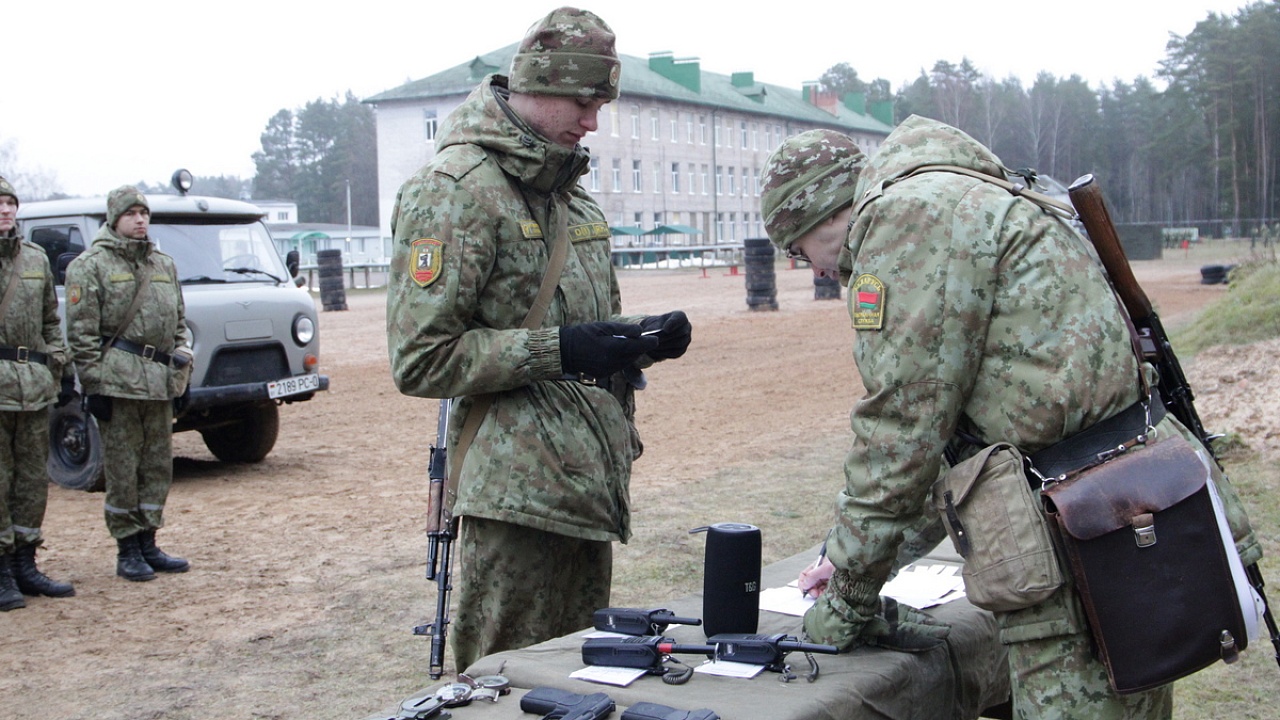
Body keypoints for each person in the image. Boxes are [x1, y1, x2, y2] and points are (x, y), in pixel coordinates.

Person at [759, 120, 1261, 718]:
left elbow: (901, 432)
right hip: (1135, 510)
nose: (812, 270)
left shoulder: (905, 220)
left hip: (1076, 536)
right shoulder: (980, 191)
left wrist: (849, 596)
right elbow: (971, 446)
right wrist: (856, 558)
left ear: (818, 212)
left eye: (797, 251)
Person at [387, 6, 692, 671]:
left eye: (600, 104)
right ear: (538, 85)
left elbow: (590, 331)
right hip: (514, 500)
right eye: (583, 102)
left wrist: (636, 344)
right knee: (505, 682)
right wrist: (563, 350)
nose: (592, 121)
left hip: (584, 489)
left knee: (580, 681)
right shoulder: (455, 193)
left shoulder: (573, 199)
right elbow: (420, 359)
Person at [64, 186, 194, 582]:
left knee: (157, 466)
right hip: (118, 383)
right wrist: (93, 386)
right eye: (131, 214)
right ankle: (127, 548)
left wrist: (181, 371)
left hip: (158, 382)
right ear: (113, 218)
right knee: (123, 469)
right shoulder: (90, 266)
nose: (140, 220)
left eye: (144, 213)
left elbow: (179, 323)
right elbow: (82, 333)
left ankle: (149, 541)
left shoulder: (163, 264)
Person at [0, 175, 76, 610]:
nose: (6, 211)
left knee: (31, 479)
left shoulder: (34, 258)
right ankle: (2, 571)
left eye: (10, 203)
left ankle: (26, 564)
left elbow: (50, 320)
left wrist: (56, 368)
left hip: (31, 386)